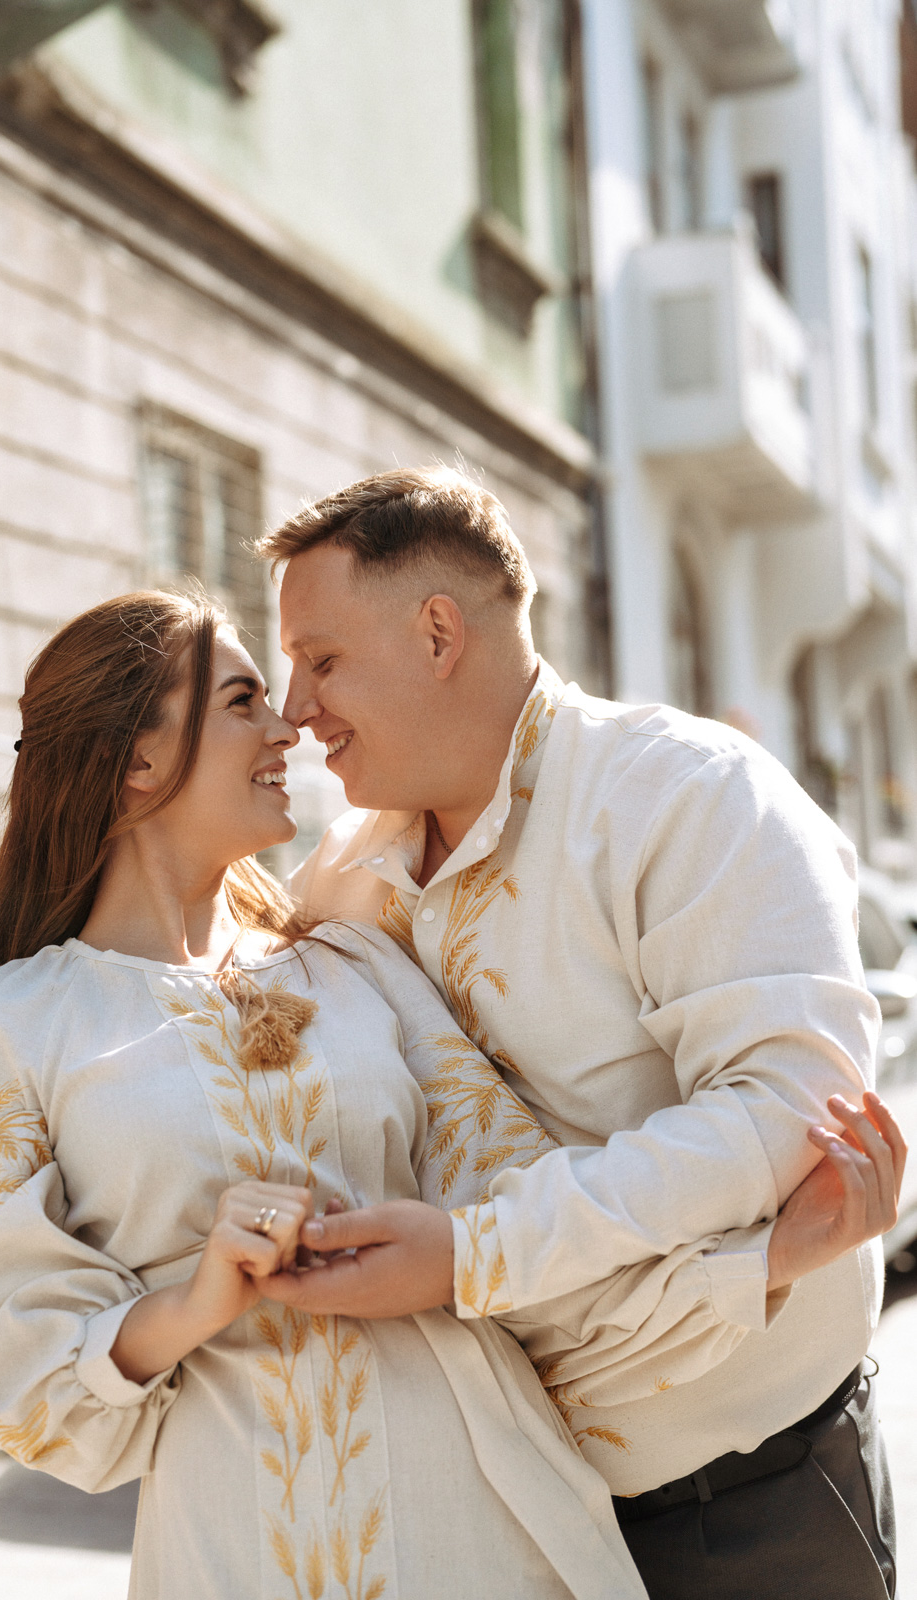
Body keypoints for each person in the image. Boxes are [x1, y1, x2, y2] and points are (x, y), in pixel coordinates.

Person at [0, 590, 899, 1600]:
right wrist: (192, 1303)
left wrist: (758, 1264)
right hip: (235, 1545)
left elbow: (510, 1218)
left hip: (484, 1517)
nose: (286, 726)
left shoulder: (353, 961)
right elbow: (5, 1371)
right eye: (242, 701)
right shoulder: (16, 1025)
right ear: (136, 760)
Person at [257, 467, 905, 1600]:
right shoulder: (343, 875)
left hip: (743, 1503)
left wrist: (473, 1254)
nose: (292, 708)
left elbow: (783, 1116)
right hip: (486, 1516)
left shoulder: (688, 796)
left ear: (437, 633)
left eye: (320, 659)